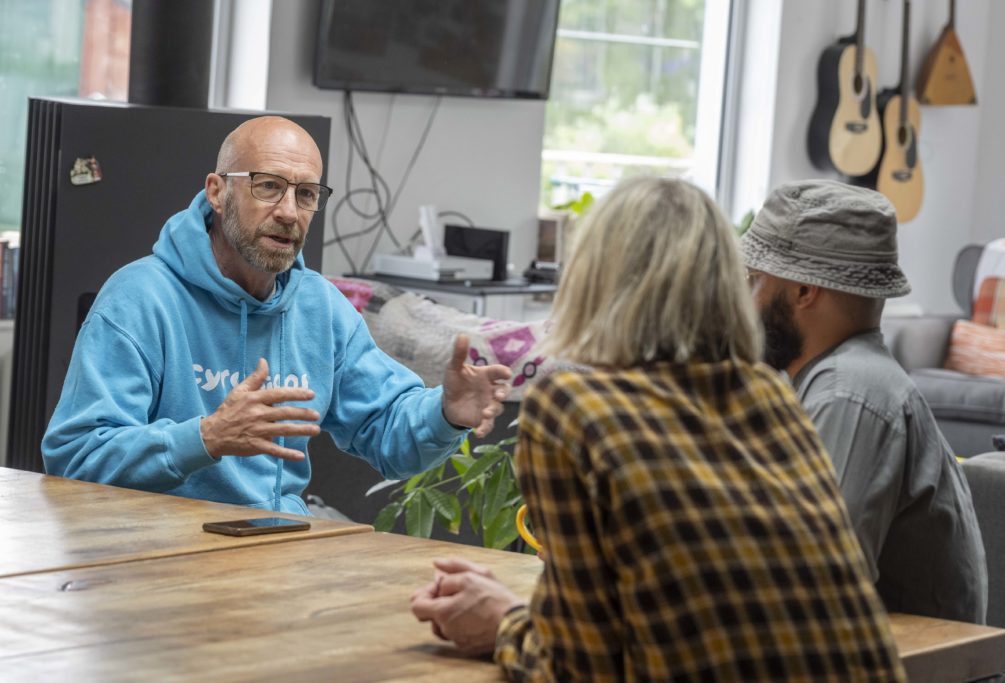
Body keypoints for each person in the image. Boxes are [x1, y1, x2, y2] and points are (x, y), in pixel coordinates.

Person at [410, 177, 905, 681]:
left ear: (593, 278)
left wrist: (502, 625)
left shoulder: (571, 408)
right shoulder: (769, 393)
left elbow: (580, 667)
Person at [42, 116, 511, 515]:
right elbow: (75, 457)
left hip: (278, 547)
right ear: (217, 191)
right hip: (154, 555)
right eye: (269, 187)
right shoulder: (139, 298)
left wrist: (447, 413)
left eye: (306, 194)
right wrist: (206, 437)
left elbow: (389, 432)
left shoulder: (319, 307)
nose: (289, 212)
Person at [740, 178, 986, 623]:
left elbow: (814, 585)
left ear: (803, 291)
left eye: (755, 280)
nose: (745, 298)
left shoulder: (850, 392)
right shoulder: (833, 379)